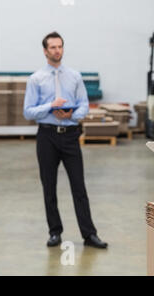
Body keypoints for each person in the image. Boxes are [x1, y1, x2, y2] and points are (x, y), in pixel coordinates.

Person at [23, 31, 107, 249]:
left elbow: (84, 105)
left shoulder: (74, 77)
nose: (57, 50)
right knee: (48, 186)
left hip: (70, 136)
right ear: (45, 51)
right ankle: (54, 232)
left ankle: (89, 235)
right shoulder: (36, 79)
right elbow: (28, 112)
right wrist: (50, 106)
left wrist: (72, 115)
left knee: (78, 186)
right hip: (47, 136)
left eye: (60, 46)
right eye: (52, 47)